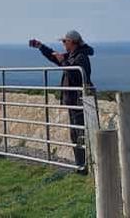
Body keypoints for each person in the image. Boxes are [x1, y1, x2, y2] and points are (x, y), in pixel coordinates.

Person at [29, 30, 94, 172]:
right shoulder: (73, 55)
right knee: (75, 133)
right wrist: (41, 47)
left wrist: (62, 61)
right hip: (73, 100)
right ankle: (80, 165)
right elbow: (56, 58)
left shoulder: (81, 57)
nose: (63, 44)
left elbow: (74, 74)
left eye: (65, 41)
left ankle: (83, 166)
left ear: (72, 42)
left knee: (79, 133)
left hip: (78, 100)